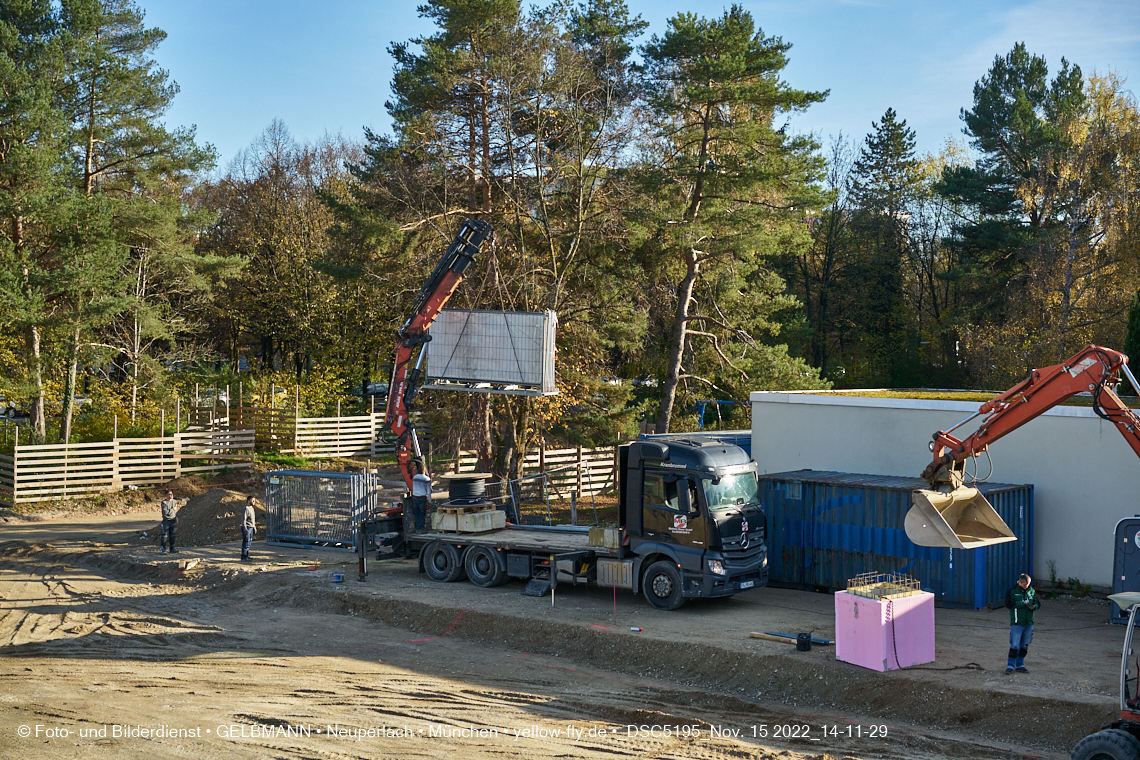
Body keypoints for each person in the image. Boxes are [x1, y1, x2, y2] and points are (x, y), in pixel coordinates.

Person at [1005, 573, 1040, 673]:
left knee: (1024, 646)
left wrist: (1034, 606)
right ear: (1019, 582)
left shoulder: (1031, 591)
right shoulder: (1012, 591)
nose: (1027, 586)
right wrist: (1023, 603)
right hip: (1017, 623)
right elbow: (1009, 604)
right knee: (1015, 645)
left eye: (1028, 584)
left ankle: (1020, 665)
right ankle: (1010, 666)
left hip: (1028, 623)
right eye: (1025, 584)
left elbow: (1038, 603)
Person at [410, 461, 431, 532]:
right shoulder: (427, 479)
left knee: (416, 513)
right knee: (422, 513)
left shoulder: (415, 477)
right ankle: (421, 529)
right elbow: (428, 491)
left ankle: (416, 528)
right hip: (422, 498)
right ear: (424, 470)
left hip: (414, 497)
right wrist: (429, 501)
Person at [159, 490, 179, 554]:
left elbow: (174, 511)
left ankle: (172, 548)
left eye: (172, 494)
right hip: (166, 521)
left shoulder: (174, 501)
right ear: (166, 496)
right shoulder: (164, 503)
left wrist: (176, 517)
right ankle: (163, 549)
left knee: (172, 535)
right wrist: (172, 509)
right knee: (164, 535)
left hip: (173, 520)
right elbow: (165, 512)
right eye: (169, 494)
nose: (171, 495)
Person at [241, 496, 256, 562]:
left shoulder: (252, 508)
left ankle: (246, 555)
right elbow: (244, 519)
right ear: (248, 501)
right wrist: (245, 529)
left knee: (249, 542)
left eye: (254, 500)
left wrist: (254, 527)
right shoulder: (246, 509)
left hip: (251, 527)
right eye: (252, 500)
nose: (254, 502)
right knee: (246, 542)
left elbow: (252, 520)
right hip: (247, 528)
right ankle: (244, 556)